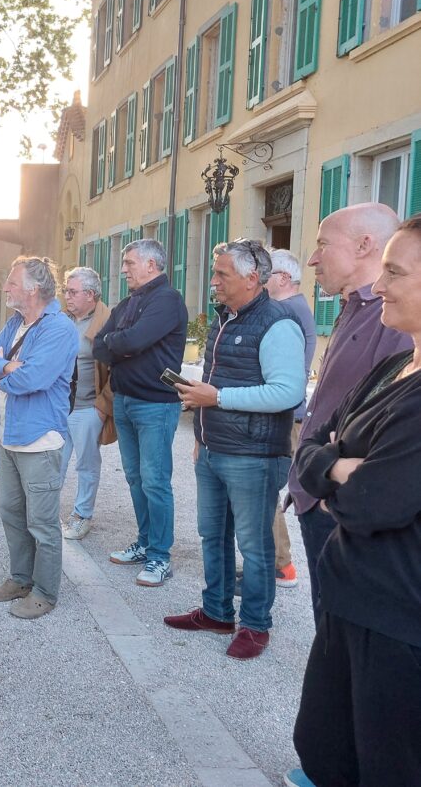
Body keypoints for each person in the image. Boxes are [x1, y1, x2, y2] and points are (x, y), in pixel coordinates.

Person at [291, 216, 421, 785]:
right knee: (324, 748)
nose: (380, 285)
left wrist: (331, 470)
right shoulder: (395, 367)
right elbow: (313, 443)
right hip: (348, 599)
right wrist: (337, 466)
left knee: (386, 765)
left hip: (396, 623)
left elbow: (374, 503)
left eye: (396, 272)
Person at [165, 240, 306, 660]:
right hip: (215, 449)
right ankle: (216, 612)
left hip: (254, 456)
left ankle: (256, 625)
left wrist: (218, 398)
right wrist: (200, 433)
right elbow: (216, 383)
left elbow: (288, 393)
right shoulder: (224, 319)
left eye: (221, 274)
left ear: (251, 278)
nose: (213, 281)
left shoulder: (278, 323)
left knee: (255, 546)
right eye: (214, 273)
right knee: (213, 535)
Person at [285, 202, 409, 624]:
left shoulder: (393, 320)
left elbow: (389, 435)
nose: (312, 258)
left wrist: (334, 484)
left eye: (323, 244)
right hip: (320, 492)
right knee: (329, 626)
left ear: (363, 245)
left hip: (339, 505)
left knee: (340, 630)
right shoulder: (355, 308)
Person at [0, 256, 78, 619]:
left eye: (12, 282)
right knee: (11, 513)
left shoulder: (59, 329)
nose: (6, 288)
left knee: (42, 523)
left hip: (39, 440)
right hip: (9, 436)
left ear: (33, 289)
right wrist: (7, 365)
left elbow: (32, 379)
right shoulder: (15, 324)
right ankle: (21, 579)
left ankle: (45, 592)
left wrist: (3, 370)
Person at [92, 238, 188, 587]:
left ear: (151, 264)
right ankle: (145, 543)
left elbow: (129, 341)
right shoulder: (128, 302)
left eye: (129, 263)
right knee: (135, 477)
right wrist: (122, 343)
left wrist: (122, 342)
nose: (123, 270)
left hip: (155, 405)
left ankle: (160, 556)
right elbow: (99, 346)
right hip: (124, 400)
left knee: (155, 480)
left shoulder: (168, 300)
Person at [257, 249, 316, 587]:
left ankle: (280, 564)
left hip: (284, 415)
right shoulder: (296, 308)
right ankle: (275, 562)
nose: (260, 280)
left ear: (281, 278)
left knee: (263, 489)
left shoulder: (286, 312)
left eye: (266, 274)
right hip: (289, 414)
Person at [58, 266, 116, 540]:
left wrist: (102, 407)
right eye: (65, 291)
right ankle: (46, 512)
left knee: (86, 465)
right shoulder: (62, 320)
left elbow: (117, 370)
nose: (66, 296)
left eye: (72, 292)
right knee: (53, 461)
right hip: (59, 407)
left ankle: (82, 515)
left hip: (88, 407)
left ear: (90, 295)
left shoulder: (109, 322)